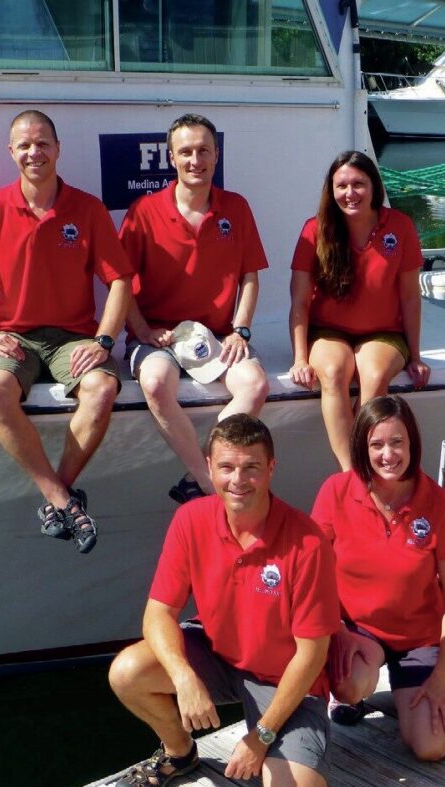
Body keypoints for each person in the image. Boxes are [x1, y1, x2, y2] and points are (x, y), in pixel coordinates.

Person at [108, 414, 340, 787]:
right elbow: (158, 611)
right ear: (210, 468)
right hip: (215, 654)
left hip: (284, 679)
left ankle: (295, 742)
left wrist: (262, 737)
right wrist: (183, 677)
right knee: (127, 672)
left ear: (271, 468)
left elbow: (313, 653)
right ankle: (179, 753)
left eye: (251, 467)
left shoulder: (306, 541)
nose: (238, 480)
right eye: (227, 467)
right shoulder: (191, 519)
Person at [0, 109, 132, 554]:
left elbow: (119, 280)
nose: (34, 152)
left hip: (73, 338)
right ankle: (64, 498)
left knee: (103, 389)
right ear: (11, 152)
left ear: (58, 149)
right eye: (24, 145)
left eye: (43, 143)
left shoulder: (86, 209)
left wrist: (103, 340)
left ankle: (55, 496)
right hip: (15, 337)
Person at [120, 113, 269, 504]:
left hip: (218, 336)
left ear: (216, 155)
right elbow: (120, 285)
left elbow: (249, 277)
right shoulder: (143, 212)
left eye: (203, 151)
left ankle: (197, 475)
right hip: (158, 337)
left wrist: (241, 329)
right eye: (185, 152)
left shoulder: (236, 208)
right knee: (154, 383)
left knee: (255, 386)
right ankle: (209, 481)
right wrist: (144, 331)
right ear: (171, 158)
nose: (195, 160)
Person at [311, 395, 445, 760]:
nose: (388, 454)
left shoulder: (439, 503)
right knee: (351, 686)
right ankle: (357, 695)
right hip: (357, 632)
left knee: (432, 747)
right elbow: (311, 572)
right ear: (361, 448)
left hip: (418, 638)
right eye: (376, 444)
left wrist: (443, 674)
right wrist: (337, 629)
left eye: (397, 442)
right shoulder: (336, 491)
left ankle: (402, 693)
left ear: (412, 442)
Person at [289, 150, 430, 471]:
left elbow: (410, 297)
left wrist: (416, 356)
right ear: (331, 190)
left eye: (358, 184)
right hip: (328, 331)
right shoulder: (315, 229)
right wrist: (299, 358)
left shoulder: (400, 226)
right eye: (342, 186)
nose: (350, 193)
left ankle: (366, 464)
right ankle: (351, 472)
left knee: (374, 373)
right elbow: (299, 301)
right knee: (335, 372)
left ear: (374, 187)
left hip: (384, 333)